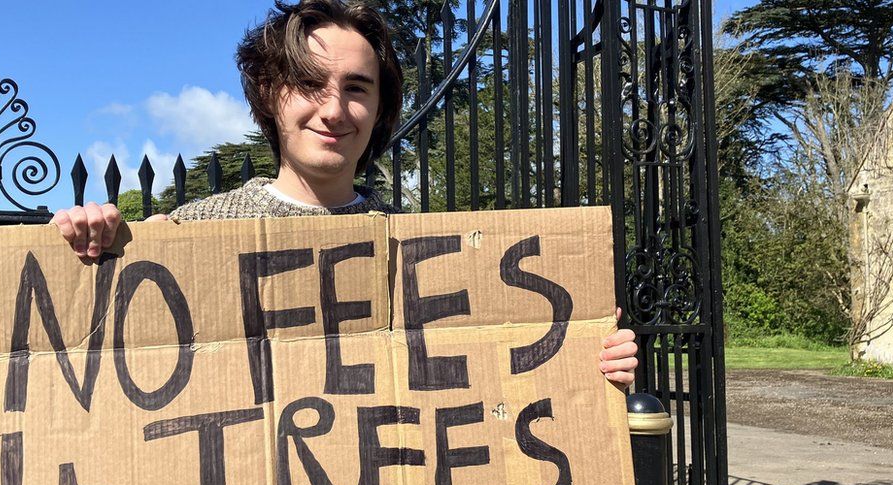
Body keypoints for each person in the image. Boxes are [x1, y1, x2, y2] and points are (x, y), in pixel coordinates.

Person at [50, 0, 638, 384]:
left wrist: (584, 358)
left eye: (357, 88)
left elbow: (493, 385)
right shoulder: (184, 236)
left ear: (379, 107)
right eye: (309, 83)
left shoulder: (426, 254)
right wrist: (81, 245)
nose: (334, 110)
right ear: (269, 93)